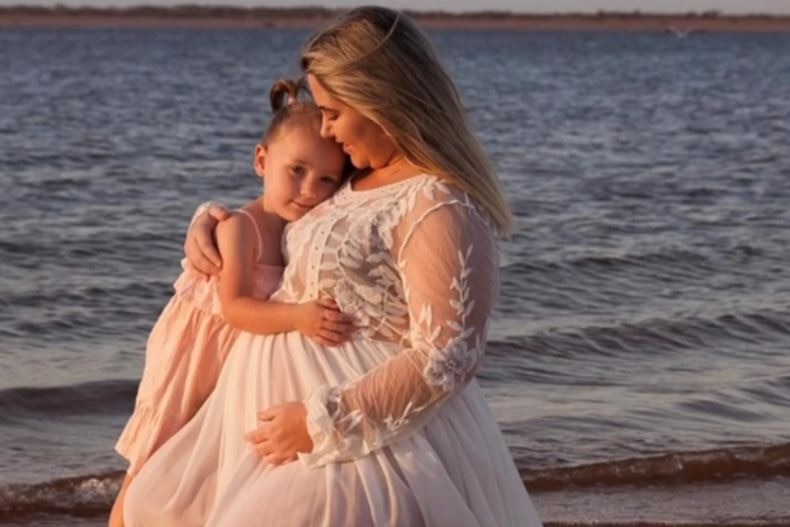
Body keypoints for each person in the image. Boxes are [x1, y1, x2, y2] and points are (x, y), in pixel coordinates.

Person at [123, 6, 544, 526]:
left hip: (361, 446)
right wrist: (212, 221)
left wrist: (321, 423)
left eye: (333, 112)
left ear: (381, 97)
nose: (325, 129)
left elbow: (448, 356)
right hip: (260, 432)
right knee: (152, 506)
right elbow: (281, 219)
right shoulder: (352, 181)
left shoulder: (439, 204)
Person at [109, 80, 354, 527]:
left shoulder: (297, 230)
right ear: (261, 160)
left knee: (197, 465)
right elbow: (237, 306)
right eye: (295, 170)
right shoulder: (241, 226)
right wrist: (299, 317)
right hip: (196, 352)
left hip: (234, 359)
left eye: (326, 180)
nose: (307, 189)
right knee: (151, 457)